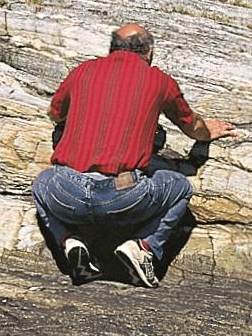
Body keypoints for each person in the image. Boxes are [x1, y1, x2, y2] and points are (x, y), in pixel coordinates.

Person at [32, 23, 234, 289]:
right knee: (181, 188)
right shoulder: (158, 80)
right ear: (148, 53)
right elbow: (191, 126)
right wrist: (209, 132)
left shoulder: (83, 71)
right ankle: (142, 247)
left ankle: (69, 240)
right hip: (122, 197)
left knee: (40, 184)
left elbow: (55, 113)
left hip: (67, 191)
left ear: (111, 48)